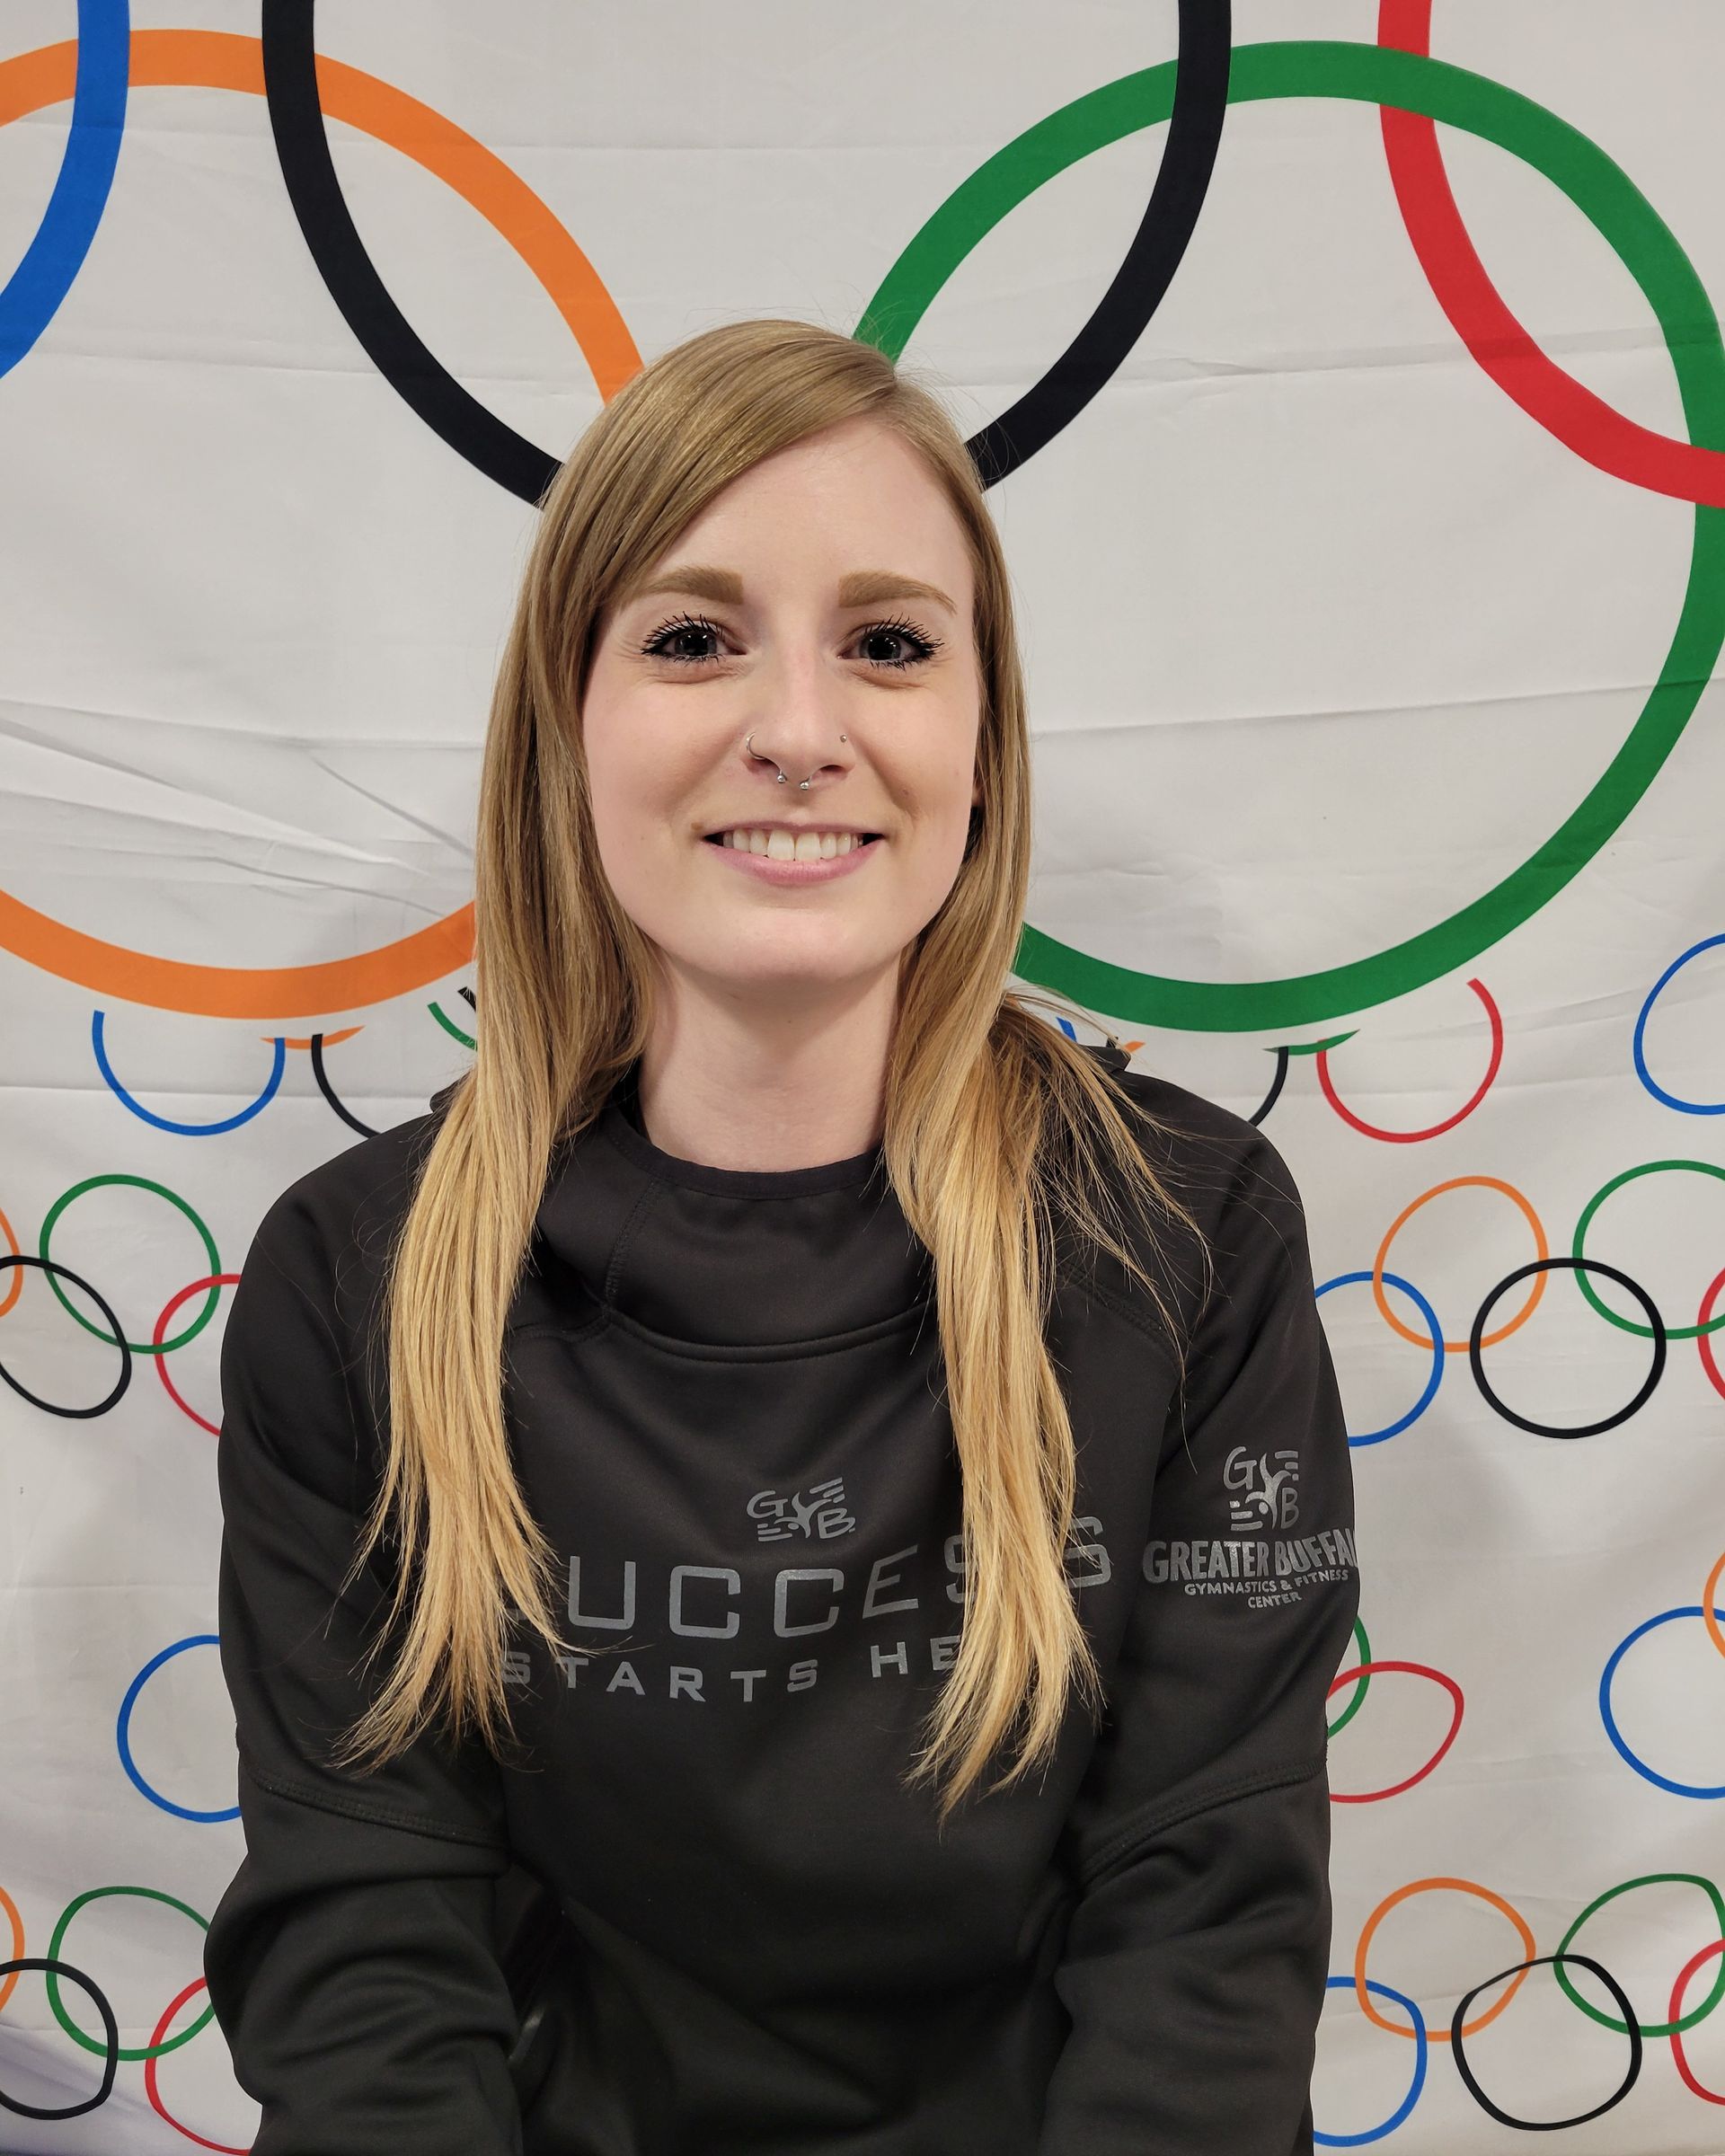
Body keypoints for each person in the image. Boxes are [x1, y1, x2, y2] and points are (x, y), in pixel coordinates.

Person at [201, 315, 1361, 2155]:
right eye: (691, 639)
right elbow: (366, 1953)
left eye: (890, 646)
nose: (801, 733)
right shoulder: (362, 1278)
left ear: (981, 742)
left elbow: (1204, 1922)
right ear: (568, 728)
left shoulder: (1187, 1236)